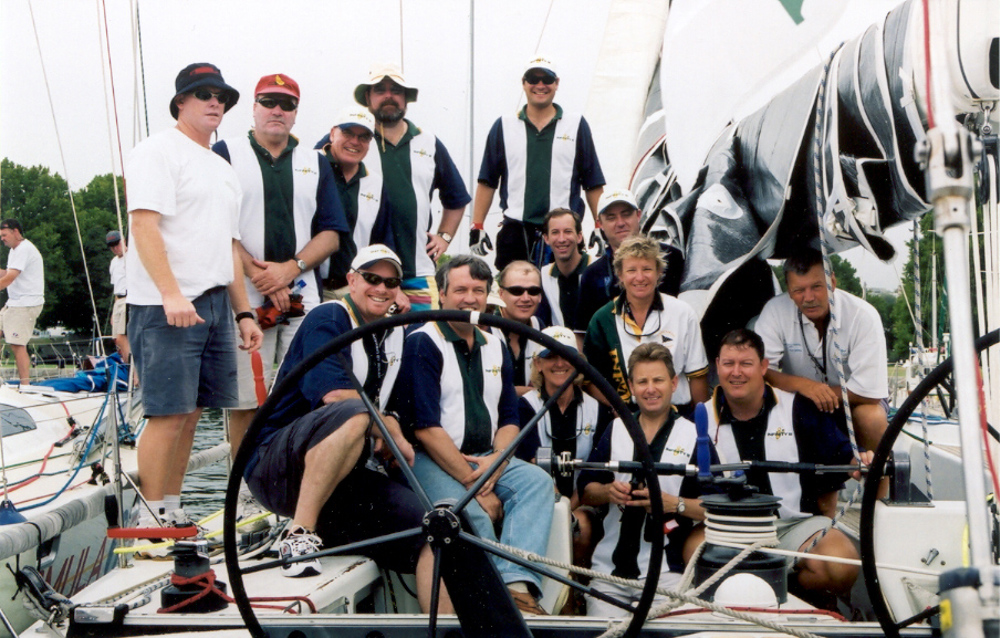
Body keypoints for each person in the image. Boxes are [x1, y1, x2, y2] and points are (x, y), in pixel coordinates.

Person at [244, 244, 451, 610]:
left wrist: (394, 427)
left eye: (391, 282)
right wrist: (390, 429)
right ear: (352, 281)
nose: (382, 288)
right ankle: (299, 536)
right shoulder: (329, 319)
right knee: (356, 412)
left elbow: (403, 409)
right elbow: (336, 397)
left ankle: (444, 630)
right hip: (276, 468)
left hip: (345, 480)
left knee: (438, 531)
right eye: (372, 278)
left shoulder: (395, 334)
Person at [124, 62, 262, 529]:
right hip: (166, 304)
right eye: (203, 94)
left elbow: (228, 246)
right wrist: (170, 294)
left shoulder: (222, 167)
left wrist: (244, 312)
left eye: (221, 95)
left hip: (214, 305)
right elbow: (143, 225)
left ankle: (173, 507)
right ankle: (149, 517)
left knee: (194, 412)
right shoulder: (157, 152)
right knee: (167, 413)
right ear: (180, 102)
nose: (214, 102)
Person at [392, 254, 555, 616]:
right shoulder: (423, 342)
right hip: (430, 459)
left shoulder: (495, 344)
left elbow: (509, 419)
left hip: (485, 458)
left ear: (487, 297)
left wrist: (493, 468)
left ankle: (515, 589)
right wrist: (474, 484)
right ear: (443, 295)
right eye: (461, 290)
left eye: (478, 291)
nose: (469, 299)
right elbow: (425, 428)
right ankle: (494, 606)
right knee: (469, 514)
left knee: (537, 484)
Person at [212, 73, 347, 478]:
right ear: (253, 107)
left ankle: (289, 485)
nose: (277, 110)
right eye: (269, 101)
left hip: (301, 292)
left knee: (302, 391)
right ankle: (245, 489)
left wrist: (290, 269)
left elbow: (331, 231)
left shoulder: (315, 161)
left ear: (295, 113)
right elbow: (216, 224)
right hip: (244, 294)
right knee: (245, 399)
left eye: (286, 104)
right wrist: (258, 274)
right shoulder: (226, 153)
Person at [706, 328, 869, 605]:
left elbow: (844, 455)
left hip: (793, 526)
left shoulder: (799, 409)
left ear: (764, 367)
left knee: (840, 564)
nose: (737, 372)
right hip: (727, 529)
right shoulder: (698, 419)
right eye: (728, 364)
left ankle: (791, 592)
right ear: (717, 367)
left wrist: (861, 461)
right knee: (690, 555)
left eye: (746, 363)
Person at [319, 63, 470, 310]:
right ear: (368, 97)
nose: (388, 96)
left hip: (417, 269)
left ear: (406, 98)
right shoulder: (351, 137)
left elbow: (457, 198)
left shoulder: (428, 142)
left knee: (419, 340)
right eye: (380, 90)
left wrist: (443, 237)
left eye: (396, 90)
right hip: (366, 276)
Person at [579, 343, 712, 617]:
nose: (650, 389)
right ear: (631, 386)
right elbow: (586, 491)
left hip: (667, 575)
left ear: (674, 383)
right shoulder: (615, 428)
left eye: (658, 380)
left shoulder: (694, 436)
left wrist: (675, 504)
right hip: (609, 575)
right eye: (642, 381)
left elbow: (715, 507)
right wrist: (608, 492)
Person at [470, 56, 605, 270]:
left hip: (563, 232)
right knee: (518, 296)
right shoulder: (504, 125)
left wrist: (600, 225)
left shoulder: (576, 124)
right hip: (516, 231)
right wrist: (477, 225)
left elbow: (593, 183)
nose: (540, 85)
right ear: (524, 83)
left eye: (547, 79)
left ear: (556, 83)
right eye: (533, 79)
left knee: (562, 297)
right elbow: (487, 181)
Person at [754, 250, 888, 451]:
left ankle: (877, 481)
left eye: (816, 287)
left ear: (832, 282)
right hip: (799, 402)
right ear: (789, 290)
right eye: (799, 290)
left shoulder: (864, 316)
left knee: (872, 417)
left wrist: (820, 395)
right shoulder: (774, 310)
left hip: (852, 404)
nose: (808, 298)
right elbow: (760, 371)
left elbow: (869, 394)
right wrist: (804, 386)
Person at [517, 325, 612, 570]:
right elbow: (529, 465)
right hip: (539, 500)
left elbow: (596, 472)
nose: (559, 363)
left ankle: (575, 594)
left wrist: (571, 506)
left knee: (579, 525)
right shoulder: (524, 408)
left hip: (584, 503)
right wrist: (560, 507)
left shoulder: (597, 410)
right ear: (538, 364)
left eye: (566, 356)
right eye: (551, 356)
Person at [583, 236, 709, 417]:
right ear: (620, 275)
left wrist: (702, 427)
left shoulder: (683, 313)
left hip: (677, 414)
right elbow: (589, 380)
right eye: (631, 270)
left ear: (659, 272)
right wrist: (617, 407)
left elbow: (697, 376)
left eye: (647, 269)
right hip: (628, 417)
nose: (640, 277)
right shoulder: (602, 319)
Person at [316, 106, 405, 308]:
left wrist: (395, 288)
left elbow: (382, 241)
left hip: (354, 290)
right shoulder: (310, 166)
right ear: (332, 133)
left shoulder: (375, 183)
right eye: (348, 133)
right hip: (310, 286)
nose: (355, 142)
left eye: (364, 137)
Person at [576, 188, 684, 333]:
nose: (620, 223)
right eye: (611, 217)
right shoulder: (592, 274)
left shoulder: (672, 257)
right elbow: (583, 334)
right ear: (599, 223)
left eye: (626, 214)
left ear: (638, 215)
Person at [0, 219, 44, 386]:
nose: (2, 238)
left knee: (17, 345)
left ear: (16, 232)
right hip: (14, 303)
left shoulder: (24, 249)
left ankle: (25, 387)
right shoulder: (14, 250)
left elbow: (10, 278)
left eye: (4, 235)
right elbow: (7, 272)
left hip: (26, 304)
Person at [535, 208, 591, 336]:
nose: (561, 239)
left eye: (568, 232)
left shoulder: (597, 269)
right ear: (546, 238)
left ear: (579, 237)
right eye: (555, 232)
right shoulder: (543, 276)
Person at [495, 260, 545, 395]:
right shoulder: (485, 329)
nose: (525, 298)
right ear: (501, 293)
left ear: (540, 296)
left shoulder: (540, 327)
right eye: (516, 291)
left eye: (533, 291)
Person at [106, 230, 129, 362]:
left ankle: (130, 368)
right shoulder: (114, 262)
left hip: (128, 299)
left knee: (121, 337)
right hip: (119, 300)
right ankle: (127, 364)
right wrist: (113, 313)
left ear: (124, 241)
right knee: (116, 339)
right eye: (112, 246)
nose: (115, 248)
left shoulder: (131, 257)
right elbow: (116, 288)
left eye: (117, 244)